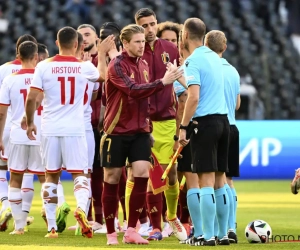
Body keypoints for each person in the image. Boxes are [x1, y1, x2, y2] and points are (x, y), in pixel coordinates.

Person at [101, 24, 182, 245]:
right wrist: (163, 82)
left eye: (143, 41)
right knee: (112, 179)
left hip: (139, 132)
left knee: (142, 175)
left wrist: (147, 128)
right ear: (125, 44)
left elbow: (145, 99)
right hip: (116, 131)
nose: (141, 45)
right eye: (137, 41)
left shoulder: (144, 63)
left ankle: (131, 230)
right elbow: (133, 90)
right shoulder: (116, 66)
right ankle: (110, 233)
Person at [25, 26, 101, 238]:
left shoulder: (43, 66)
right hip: (75, 128)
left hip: (49, 128)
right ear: (77, 44)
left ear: (57, 43)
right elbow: (101, 78)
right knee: (80, 173)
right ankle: (81, 208)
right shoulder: (85, 66)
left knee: (51, 175)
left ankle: (51, 228)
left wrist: (30, 121)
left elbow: (32, 98)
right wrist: (102, 54)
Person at [134, 8, 187, 241]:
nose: (149, 29)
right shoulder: (134, 51)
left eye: (152, 24)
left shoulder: (171, 50)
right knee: (148, 175)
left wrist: (179, 128)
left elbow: (182, 89)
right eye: (144, 25)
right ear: (137, 26)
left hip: (166, 121)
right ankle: (153, 226)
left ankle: (172, 216)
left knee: (171, 174)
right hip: (143, 122)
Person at [179, 18, 230, 246]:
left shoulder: (193, 61)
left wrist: (183, 127)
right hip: (224, 123)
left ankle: (207, 236)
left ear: (185, 35)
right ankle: (224, 233)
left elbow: (194, 96)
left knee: (205, 181)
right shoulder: (216, 58)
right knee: (221, 180)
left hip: (205, 124)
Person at [0, 41, 44, 235]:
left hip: (16, 133)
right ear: (36, 57)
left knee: (15, 178)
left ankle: (19, 226)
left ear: (18, 55)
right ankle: (51, 224)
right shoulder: (43, 77)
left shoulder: (9, 78)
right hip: (40, 133)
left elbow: (2, 113)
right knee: (46, 178)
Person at [204, 30, 240, 244]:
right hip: (232, 127)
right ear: (224, 47)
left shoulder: (207, 68)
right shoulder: (233, 71)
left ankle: (213, 230)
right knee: (227, 180)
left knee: (210, 180)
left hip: (212, 125)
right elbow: (237, 105)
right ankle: (230, 226)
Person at [77, 24, 105, 231]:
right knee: (85, 172)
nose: (84, 39)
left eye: (88, 35)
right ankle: (86, 217)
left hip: (101, 124)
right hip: (81, 125)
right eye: (81, 36)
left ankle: (101, 219)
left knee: (100, 173)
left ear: (96, 38)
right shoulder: (76, 64)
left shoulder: (101, 63)